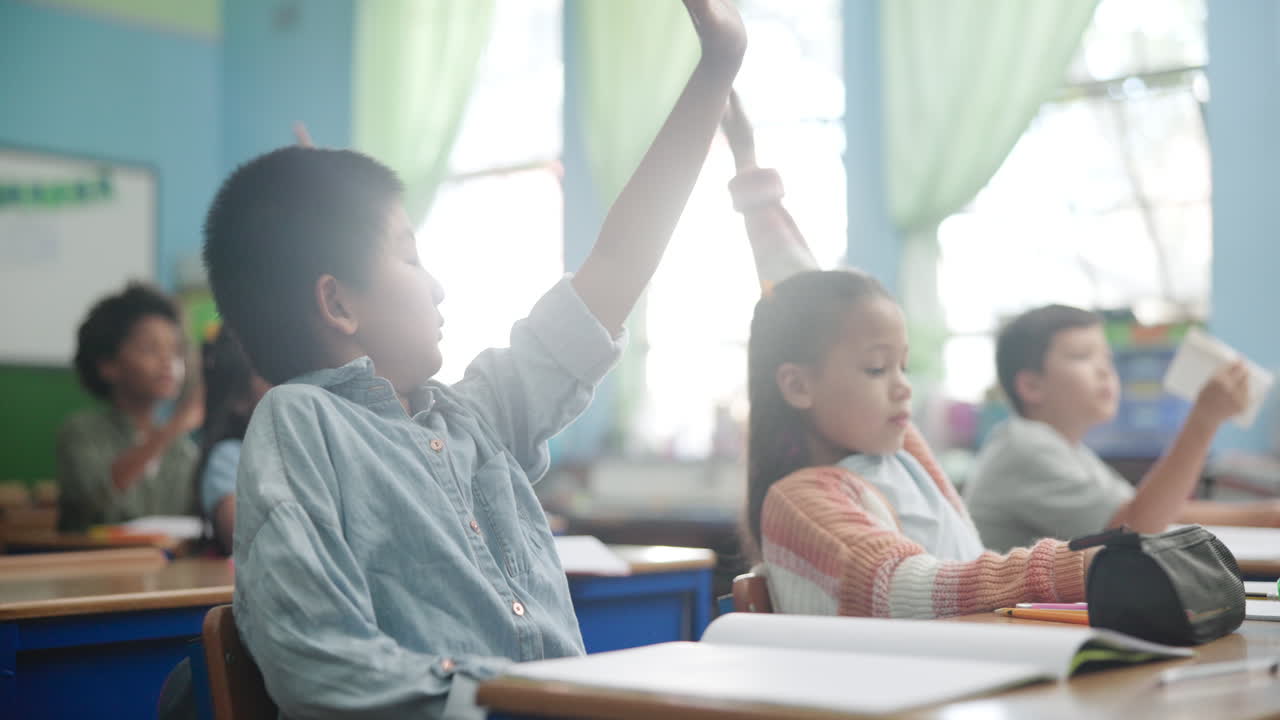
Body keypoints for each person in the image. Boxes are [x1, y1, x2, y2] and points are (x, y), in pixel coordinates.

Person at [202, 2, 746, 716]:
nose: (437, 285)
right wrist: (510, 702)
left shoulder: (474, 416)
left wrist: (716, 69)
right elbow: (318, 660)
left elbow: (615, 265)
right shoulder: (302, 422)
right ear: (338, 305)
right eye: (408, 255)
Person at [57, 283, 202, 531]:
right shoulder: (80, 433)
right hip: (96, 566)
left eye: (176, 351)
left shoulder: (183, 450)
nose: (168, 361)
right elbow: (94, 508)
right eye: (150, 349)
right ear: (108, 366)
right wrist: (171, 429)